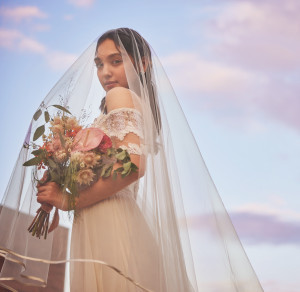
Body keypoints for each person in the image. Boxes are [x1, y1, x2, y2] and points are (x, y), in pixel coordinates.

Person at [0, 28, 264, 292]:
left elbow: (134, 166)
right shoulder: (130, 103)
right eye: (99, 64)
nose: (105, 72)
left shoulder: (120, 96)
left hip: (110, 225)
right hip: (106, 219)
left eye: (116, 61)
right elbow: (108, 171)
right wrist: (62, 182)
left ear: (142, 63)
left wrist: (69, 200)